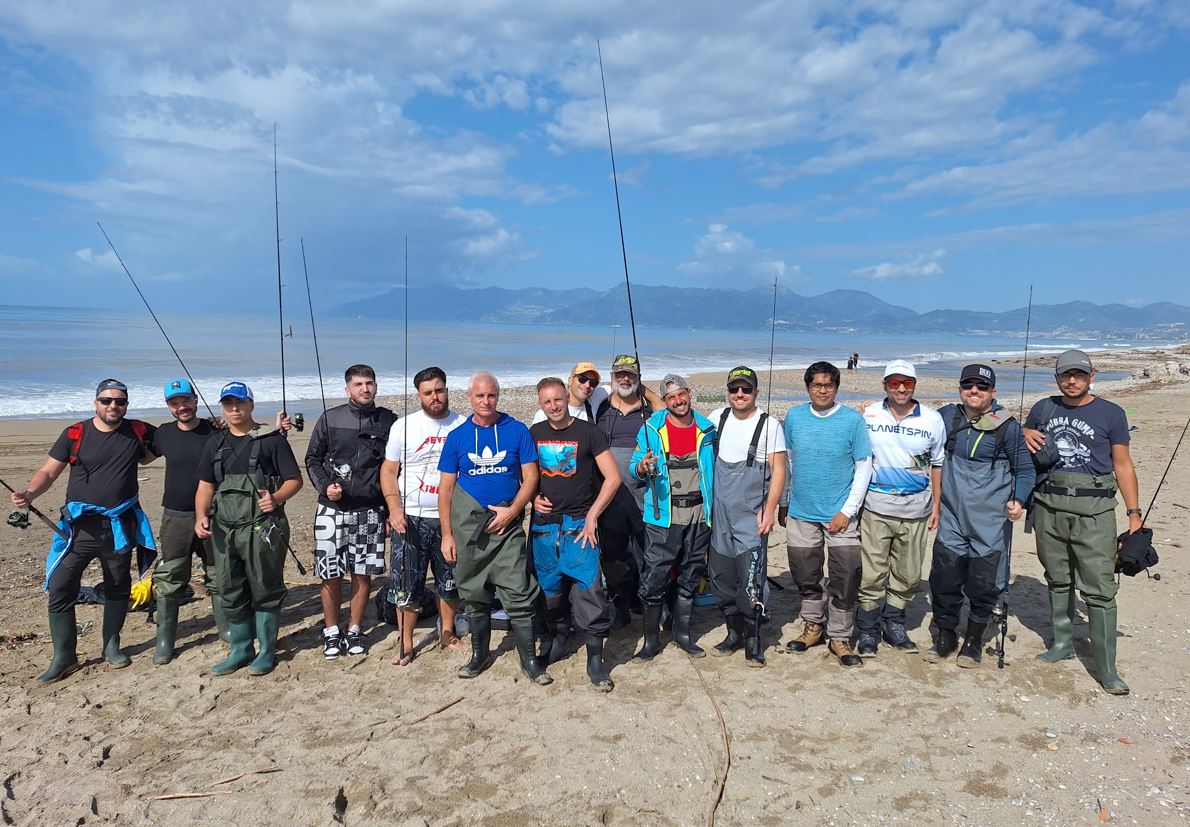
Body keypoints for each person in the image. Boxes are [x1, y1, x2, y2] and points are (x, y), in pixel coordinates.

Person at [10, 379, 157, 683]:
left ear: (126, 405)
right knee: (61, 586)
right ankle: (64, 657)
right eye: (106, 400)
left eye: (119, 401)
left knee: (118, 585)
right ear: (95, 403)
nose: (112, 406)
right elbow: (49, 471)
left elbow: (175, 440)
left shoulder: (139, 431)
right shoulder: (75, 433)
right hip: (78, 530)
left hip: (119, 526)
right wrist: (30, 493)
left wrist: (212, 423)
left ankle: (111, 645)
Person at [1023, 349, 1141, 695]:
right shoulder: (1044, 408)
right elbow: (1026, 440)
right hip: (1048, 507)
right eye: (1065, 375)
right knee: (1057, 578)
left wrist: (1134, 514)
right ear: (1057, 377)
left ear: (1093, 376)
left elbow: (1123, 464)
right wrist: (1025, 430)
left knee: (1100, 588)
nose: (1071, 381)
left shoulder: (1112, 413)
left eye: (1078, 375)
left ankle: (1107, 668)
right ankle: (1062, 644)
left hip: (1095, 511)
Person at [437, 372, 550, 685]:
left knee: (519, 591)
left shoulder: (516, 431)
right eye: (479, 396)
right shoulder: (458, 437)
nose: (486, 402)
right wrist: (447, 535)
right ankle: (480, 654)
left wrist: (514, 510)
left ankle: (529, 660)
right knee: (473, 593)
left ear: (498, 396)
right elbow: (445, 491)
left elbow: (531, 479)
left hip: (507, 528)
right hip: (468, 529)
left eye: (491, 396)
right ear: (469, 398)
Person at [927, 364, 1034, 667]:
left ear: (993, 392)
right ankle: (946, 635)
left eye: (982, 387)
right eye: (968, 385)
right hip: (951, 516)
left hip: (990, 520)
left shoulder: (1008, 426)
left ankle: (973, 639)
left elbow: (1024, 470)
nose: (974, 391)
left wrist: (1019, 499)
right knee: (944, 576)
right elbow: (911, 414)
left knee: (984, 582)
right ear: (960, 388)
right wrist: (871, 408)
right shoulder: (947, 417)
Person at [194, 382, 303, 676]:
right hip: (224, 529)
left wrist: (276, 498)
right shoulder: (214, 443)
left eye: (239, 403)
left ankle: (267, 651)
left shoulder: (271, 440)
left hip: (262, 528)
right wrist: (201, 516)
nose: (234, 408)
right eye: (228, 403)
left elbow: (295, 480)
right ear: (222, 407)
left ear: (251, 405)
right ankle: (241, 649)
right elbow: (206, 485)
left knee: (265, 588)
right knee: (229, 588)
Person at [530, 377, 622, 690]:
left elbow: (613, 478)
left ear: (566, 398)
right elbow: (524, 477)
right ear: (541, 405)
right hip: (544, 531)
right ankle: (558, 640)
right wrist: (530, 498)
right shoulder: (534, 434)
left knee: (590, 593)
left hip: (579, 526)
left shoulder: (588, 432)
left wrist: (593, 515)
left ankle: (595, 660)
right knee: (550, 594)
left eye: (558, 400)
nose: (554, 406)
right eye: (547, 402)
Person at [779, 362, 872, 668]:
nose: (822, 390)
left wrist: (848, 510)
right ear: (807, 387)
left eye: (828, 385)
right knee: (806, 574)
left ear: (836, 387)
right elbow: (787, 462)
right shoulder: (793, 417)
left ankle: (841, 636)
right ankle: (813, 626)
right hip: (802, 511)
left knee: (846, 576)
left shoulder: (852, 420)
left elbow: (864, 466)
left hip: (840, 515)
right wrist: (784, 501)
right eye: (816, 385)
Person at [305, 365, 396, 660]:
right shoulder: (330, 418)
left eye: (369, 383)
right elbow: (312, 459)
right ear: (347, 389)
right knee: (330, 574)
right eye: (358, 384)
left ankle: (355, 628)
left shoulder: (388, 420)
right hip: (331, 510)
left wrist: (389, 508)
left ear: (376, 386)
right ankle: (331, 631)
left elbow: (395, 467)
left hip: (369, 511)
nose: (365, 388)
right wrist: (324, 486)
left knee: (363, 573)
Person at [857, 360, 946, 657]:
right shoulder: (868, 413)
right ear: (884, 386)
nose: (901, 388)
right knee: (871, 575)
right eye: (894, 382)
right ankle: (868, 630)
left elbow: (937, 464)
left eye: (907, 382)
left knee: (908, 575)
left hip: (916, 509)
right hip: (875, 507)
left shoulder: (932, 420)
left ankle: (894, 624)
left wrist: (936, 505)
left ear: (915, 386)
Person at [380, 366, 466, 665]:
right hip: (411, 517)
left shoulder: (463, 425)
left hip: (449, 519)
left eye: (439, 390)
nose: (435, 397)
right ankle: (405, 641)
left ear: (447, 390)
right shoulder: (403, 426)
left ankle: (447, 631)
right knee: (406, 584)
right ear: (419, 395)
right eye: (428, 392)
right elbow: (389, 471)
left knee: (449, 580)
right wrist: (394, 509)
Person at [630, 373, 717, 660]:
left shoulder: (708, 429)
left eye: (681, 394)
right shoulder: (650, 429)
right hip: (662, 516)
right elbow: (633, 468)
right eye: (671, 397)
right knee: (654, 576)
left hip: (699, 513)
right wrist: (642, 468)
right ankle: (651, 641)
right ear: (664, 401)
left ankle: (683, 635)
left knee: (691, 573)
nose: (678, 401)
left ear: (689, 393)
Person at [706, 366, 786, 667]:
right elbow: (677, 413)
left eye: (746, 389)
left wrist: (771, 508)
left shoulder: (770, 425)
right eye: (734, 389)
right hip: (720, 516)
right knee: (722, 578)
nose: (740, 394)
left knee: (752, 581)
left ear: (755, 391)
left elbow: (780, 470)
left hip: (751, 516)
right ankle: (733, 633)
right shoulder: (717, 419)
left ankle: (754, 641)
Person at [147, 379, 224, 664]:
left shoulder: (214, 430)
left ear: (195, 400)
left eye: (186, 400)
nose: (181, 407)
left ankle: (225, 627)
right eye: (174, 403)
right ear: (169, 406)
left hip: (213, 514)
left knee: (217, 573)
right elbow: (143, 458)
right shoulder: (163, 434)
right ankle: (165, 640)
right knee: (171, 577)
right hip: (175, 515)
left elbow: (246, 436)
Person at [594, 354, 653, 626]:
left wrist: (647, 391)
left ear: (638, 378)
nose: (625, 379)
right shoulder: (600, 408)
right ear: (612, 377)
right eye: (620, 374)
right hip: (611, 500)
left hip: (645, 496)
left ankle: (649, 603)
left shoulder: (651, 410)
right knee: (614, 558)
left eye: (630, 374)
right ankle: (621, 604)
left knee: (648, 555)